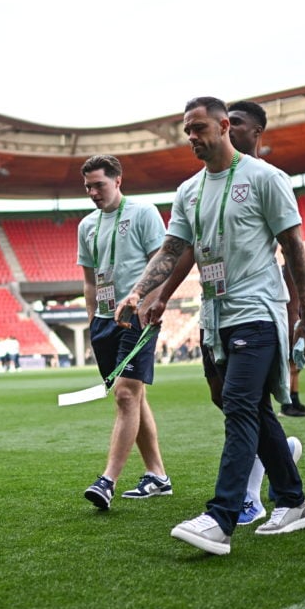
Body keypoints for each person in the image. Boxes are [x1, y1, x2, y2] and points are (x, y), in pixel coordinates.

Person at [116, 96, 305, 556]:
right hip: (215, 318)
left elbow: (295, 250)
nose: (192, 136)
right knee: (254, 410)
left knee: (238, 405)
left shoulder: (267, 179)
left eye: (199, 127)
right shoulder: (189, 190)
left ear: (225, 126)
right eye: (187, 130)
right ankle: (293, 502)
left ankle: (221, 517)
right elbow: (172, 250)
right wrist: (141, 293)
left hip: (258, 309)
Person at [76, 153, 171, 510]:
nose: (93, 192)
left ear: (118, 181)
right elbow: (88, 279)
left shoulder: (143, 213)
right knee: (134, 397)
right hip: (102, 320)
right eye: (87, 187)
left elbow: (161, 263)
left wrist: (152, 304)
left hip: (136, 316)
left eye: (98, 184)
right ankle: (157, 475)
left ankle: (107, 481)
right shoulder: (86, 225)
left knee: (125, 396)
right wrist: (90, 320)